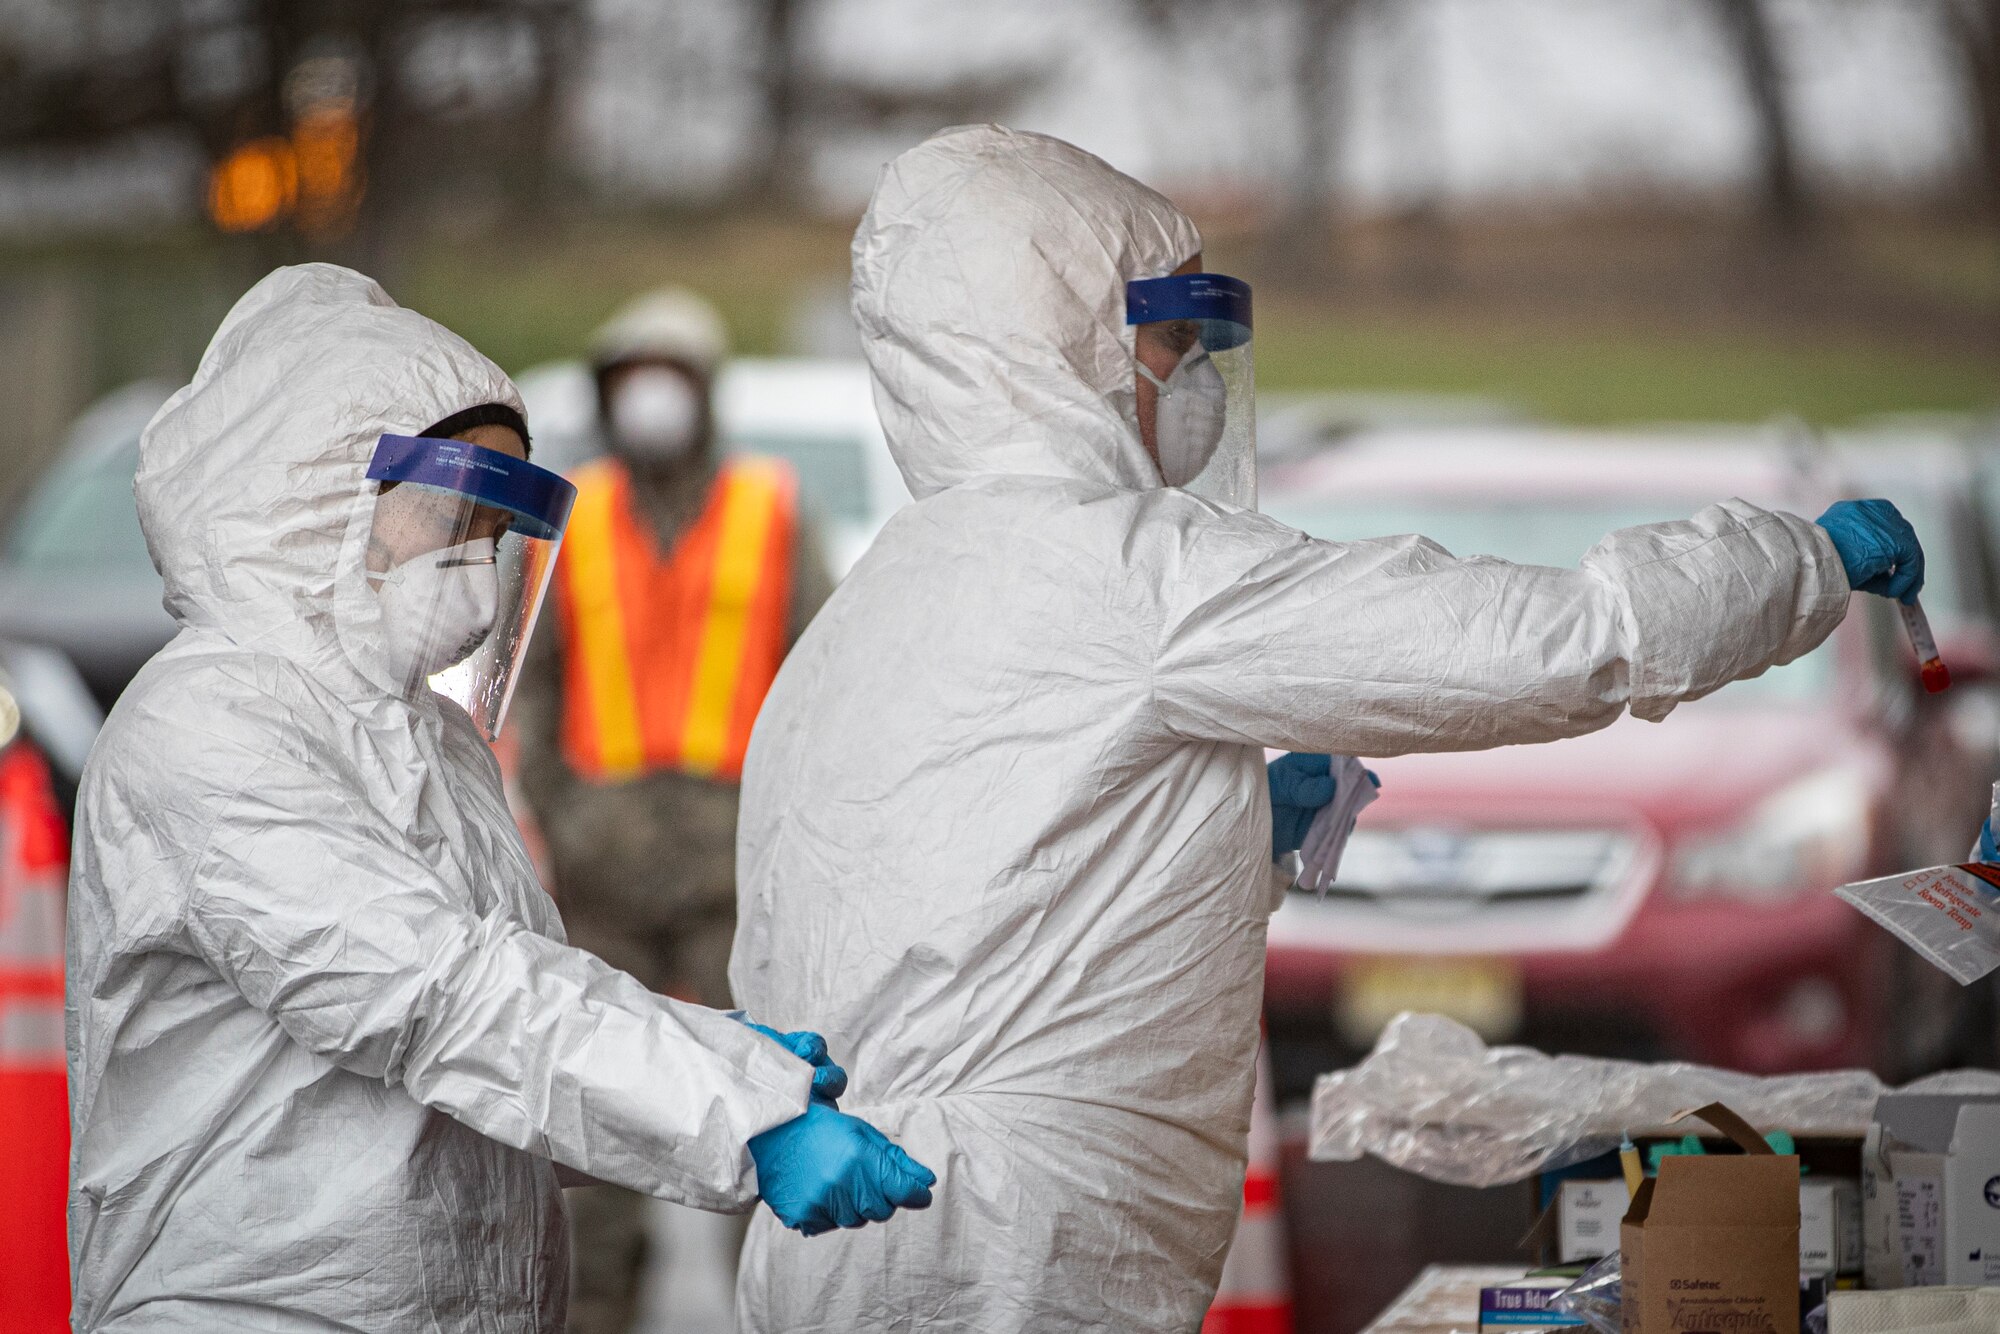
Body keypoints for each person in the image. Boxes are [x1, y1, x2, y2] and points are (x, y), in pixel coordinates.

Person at [727, 124, 1925, 1332]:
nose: (1187, 381)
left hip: (849, 1239)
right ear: (1055, 341)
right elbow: (1553, 640)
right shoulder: (1128, 571)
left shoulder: (859, 616)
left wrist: (1235, 844)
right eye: (1165, 342)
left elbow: (1001, 920)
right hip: (1007, 1249)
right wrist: (1803, 560)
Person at [65, 263, 932, 1334]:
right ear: (318, 496)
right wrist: (735, 1103)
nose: (475, 560)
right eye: (450, 513)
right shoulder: (208, 728)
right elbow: (438, 995)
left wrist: (709, 1056)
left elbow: (498, 1066)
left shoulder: (429, 741)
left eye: (494, 524)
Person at [507, 288, 836, 1333]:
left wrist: (786, 829)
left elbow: (819, 673)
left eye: (670, 375)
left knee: (770, 1109)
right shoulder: (576, 514)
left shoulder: (770, 506)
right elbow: (536, 679)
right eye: (629, 377)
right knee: (598, 1136)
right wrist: (565, 813)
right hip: (602, 875)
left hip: (732, 871)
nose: (649, 398)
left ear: (703, 390)